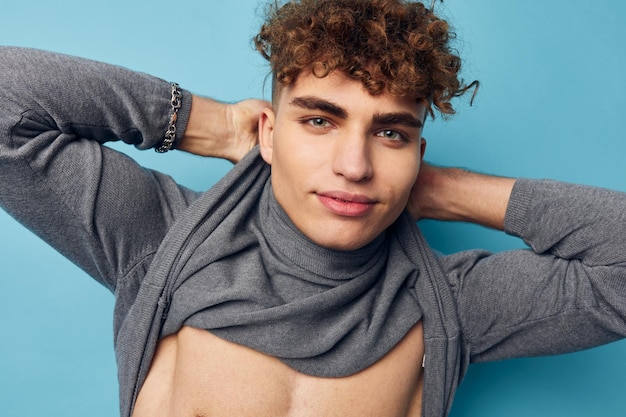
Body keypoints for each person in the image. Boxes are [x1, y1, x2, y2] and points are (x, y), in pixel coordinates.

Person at [1, 1, 625, 417]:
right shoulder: (162, 239)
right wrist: (215, 126)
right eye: (320, 120)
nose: (354, 166)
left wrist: (446, 190)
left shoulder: (449, 302)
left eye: (391, 134)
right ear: (271, 132)